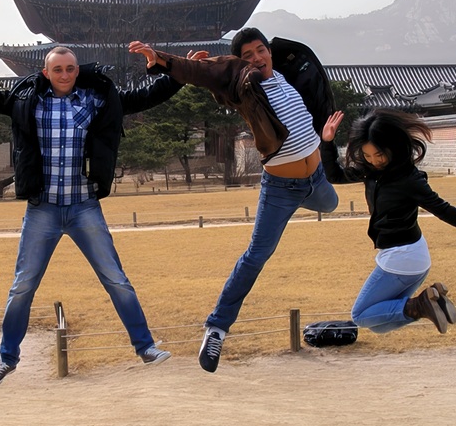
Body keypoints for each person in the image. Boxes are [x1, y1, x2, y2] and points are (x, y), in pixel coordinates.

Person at [0, 42, 181, 388]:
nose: (65, 74)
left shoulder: (98, 100)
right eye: (58, 69)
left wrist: (178, 73)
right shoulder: (27, 101)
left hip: (84, 205)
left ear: (77, 70)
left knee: (115, 278)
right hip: (43, 209)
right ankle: (6, 359)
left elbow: (145, 96)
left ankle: (145, 347)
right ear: (46, 72)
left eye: (70, 69)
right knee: (23, 285)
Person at [129, 29, 339, 372]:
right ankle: (216, 329)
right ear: (242, 61)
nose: (257, 58)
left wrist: (323, 137)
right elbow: (204, 71)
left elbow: (305, 111)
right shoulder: (244, 82)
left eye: (261, 50)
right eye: (249, 54)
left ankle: (306, 197)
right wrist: (163, 61)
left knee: (331, 204)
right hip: (281, 188)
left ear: (270, 51)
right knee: (256, 256)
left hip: (315, 181)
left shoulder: (289, 75)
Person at [320, 108, 456, 333]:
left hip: (401, 257)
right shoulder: (372, 171)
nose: (374, 161)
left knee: (360, 315)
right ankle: (431, 306)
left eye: (379, 155)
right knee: (379, 325)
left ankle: (421, 305)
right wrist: (326, 143)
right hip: (411, 259)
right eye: (367, 156)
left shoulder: (409, 179)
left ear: (393, 147)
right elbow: (335, 175)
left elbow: (443, 209)